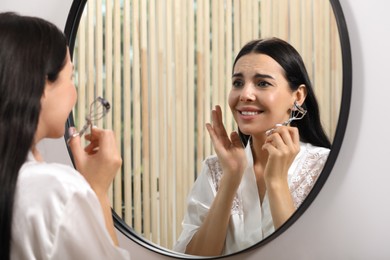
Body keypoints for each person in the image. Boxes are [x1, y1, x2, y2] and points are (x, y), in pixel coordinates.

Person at [173, 37, 331, 256]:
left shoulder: (326, 167)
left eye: (263, 83)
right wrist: (231, 178)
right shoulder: (215, 169)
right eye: (238, 83)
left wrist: (276, 182)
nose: (245, 95)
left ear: (297, 96)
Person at [0, 12, 130, 259]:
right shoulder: (58, 193)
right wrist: (97, 191)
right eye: (70, 77)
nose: (75, 91)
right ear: (40, 86)